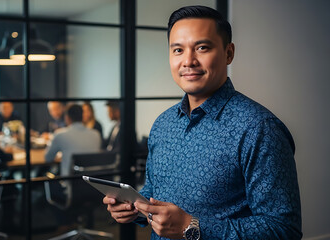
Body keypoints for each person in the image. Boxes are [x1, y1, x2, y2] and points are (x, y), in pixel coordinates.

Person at [103, 5, 301, 240]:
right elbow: (155, 194)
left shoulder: (260, 129)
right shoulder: (163, 124)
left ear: (229, 53)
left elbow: (284, 229)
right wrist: (133, 208)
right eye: (178, 50)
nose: (188, 61)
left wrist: (192, 226)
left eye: (202, 48)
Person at [45, 104, 101, 176]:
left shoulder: (60, 134)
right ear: (82, 116)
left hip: (69, 182)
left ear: (67, 118)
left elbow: (48, 158)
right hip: (91, 181)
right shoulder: (96, 135)